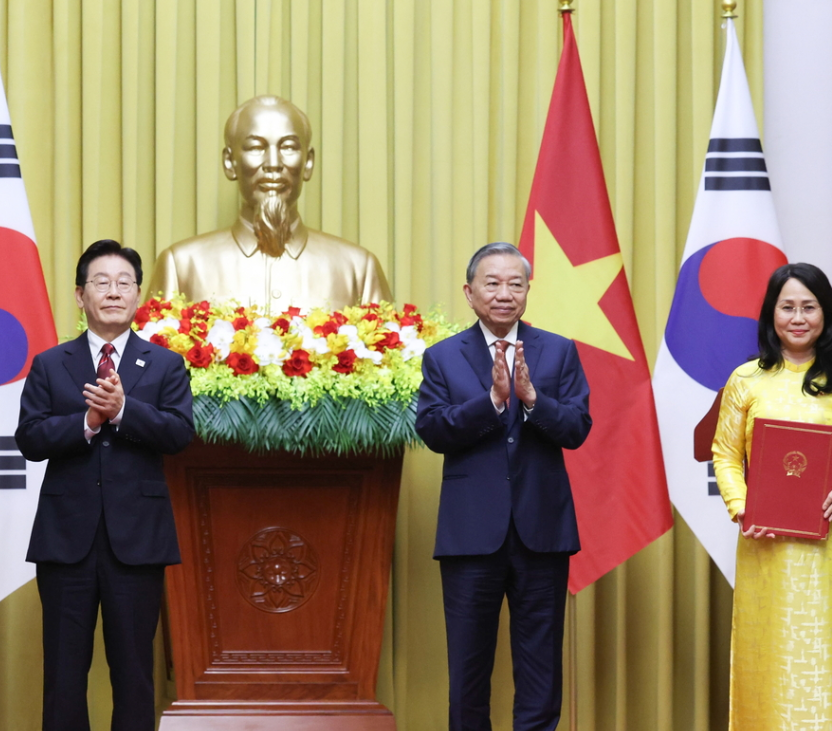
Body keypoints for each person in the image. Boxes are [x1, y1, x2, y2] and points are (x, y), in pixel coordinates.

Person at [17, 239, 195, 731]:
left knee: (135, 675)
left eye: (124, 283)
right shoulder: (51, 363)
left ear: (137, 295)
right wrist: (87, 422)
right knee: (63, 676)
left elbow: (179, 434)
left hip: (137, 542)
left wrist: (122, 412)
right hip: (65, 540)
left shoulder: (165, 364)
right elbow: (30, 438)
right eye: (101, 282)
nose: (113, 292)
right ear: (80, 295)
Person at [415, 242, 591, 731]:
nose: (504, 294)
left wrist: (532, 399)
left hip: (542, 531)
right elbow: (432, 430)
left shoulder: (558, 350)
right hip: (471, 534)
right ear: (469, 292)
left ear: (528, 291)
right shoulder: (442, 357)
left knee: (540, 668)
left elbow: (577, 428)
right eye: (492, 283)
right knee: (468, 668)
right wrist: (492, 401)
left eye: (516, 284)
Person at [712, 262, 832, 728]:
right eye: (788, 307)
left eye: (810, 307)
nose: (798, 318)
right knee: (772, 650)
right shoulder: (746, 379)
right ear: (772, 314)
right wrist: (742, 508)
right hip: (766, 541)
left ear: (827, 315)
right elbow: (725, 455)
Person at [148, 95, 391, 312]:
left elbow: (386, 346)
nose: (273, 163)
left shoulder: (358, 268)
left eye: (289, 147)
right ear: (230, 162)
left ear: (308, 162)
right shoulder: (182, 266)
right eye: (255, 147)